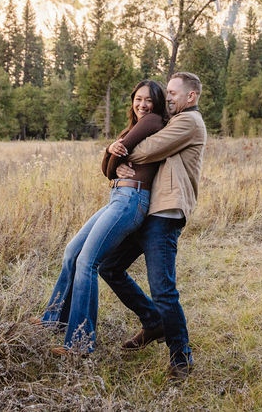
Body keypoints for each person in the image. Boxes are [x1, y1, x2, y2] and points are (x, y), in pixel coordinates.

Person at [33, 79, 169, 355]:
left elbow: (117, 157)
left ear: (156, 104)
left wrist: (114, 152)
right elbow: (108, 170)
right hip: (117, 197)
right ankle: (54, 320)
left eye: (148, 100)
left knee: (88, 262)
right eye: (138, 99)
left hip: (132, 200)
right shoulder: (131, 128)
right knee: (72, 252)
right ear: (132, 100)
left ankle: (80, 343)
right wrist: (111, 151)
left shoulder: (153, 121)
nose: (143, 105)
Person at [100, 71, 206, 381]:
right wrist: (116, 155)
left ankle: (180, 355)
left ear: (191, 97)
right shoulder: (171, 119)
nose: (167, 96)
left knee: (163, 289)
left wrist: (118, 148)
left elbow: (146, 150)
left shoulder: (189, 122)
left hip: (165, 214)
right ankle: (152, 322)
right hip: (146, 210)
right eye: (167, 92)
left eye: (174, 92)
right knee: (109, 266)